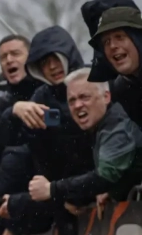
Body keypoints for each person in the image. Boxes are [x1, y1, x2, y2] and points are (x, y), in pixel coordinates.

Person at [27, 68, 142, 206]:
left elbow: (104, 178)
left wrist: (52, 189)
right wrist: (114, 191)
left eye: (84, 97)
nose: (77, 105)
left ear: (106, 97)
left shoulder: (117, 126)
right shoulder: (102, 125)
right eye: (71, 101)